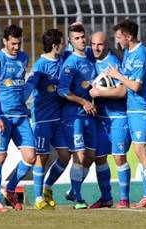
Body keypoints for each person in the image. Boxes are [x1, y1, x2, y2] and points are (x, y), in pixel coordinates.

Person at [106, 19, 146, 208]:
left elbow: (136, 86)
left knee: (141, 149)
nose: (117, 41)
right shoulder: (128, 53)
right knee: (138, 151)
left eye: (119, 37)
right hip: (131, 108)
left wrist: (118, 76)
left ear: (129, 37)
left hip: (142, 107)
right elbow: (124, 87)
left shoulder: (141, 54)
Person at [0, 24, 36, 212]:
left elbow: (19, 86)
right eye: (13, 43)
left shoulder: (23, 58)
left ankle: (11, 188)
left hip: (21, 116)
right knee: (0, 155)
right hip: (3, 117)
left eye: (19, 43)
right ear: (5, 41)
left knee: (30, 157)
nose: (16, 47)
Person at [23, 29, 71, 210]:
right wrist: (22, 98)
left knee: (65, 155)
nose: (65, 45)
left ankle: (48, 188)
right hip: (42, 119)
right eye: (62, 42)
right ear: (54, 45)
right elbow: (30, 85)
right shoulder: (40, 66)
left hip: (59, 118)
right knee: (42, 157)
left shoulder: (63, 58)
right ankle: (37, 198)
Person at [89, 32, 131, 208]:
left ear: (107, 45)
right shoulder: (90, 62)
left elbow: (123, 91)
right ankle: (106, 197)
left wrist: (99, 92)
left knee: (119, 157)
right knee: (99, 158)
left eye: (100, 44)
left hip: (118, 117)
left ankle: (124, 198)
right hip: (100, 119)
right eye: (93, 44)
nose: (96, 48)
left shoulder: (112, 63)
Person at [57, 23, 97, 209]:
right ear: (71, 42)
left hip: (90, 115)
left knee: (90, 156)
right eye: (77, 38)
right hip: (74, 117)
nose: (81, 40)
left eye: (83, 37)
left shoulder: (90, 56)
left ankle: (74, 191)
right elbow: (62, 90)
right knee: (79, 156)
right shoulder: (70, 63)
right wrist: (83, 102)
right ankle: (78, 199)